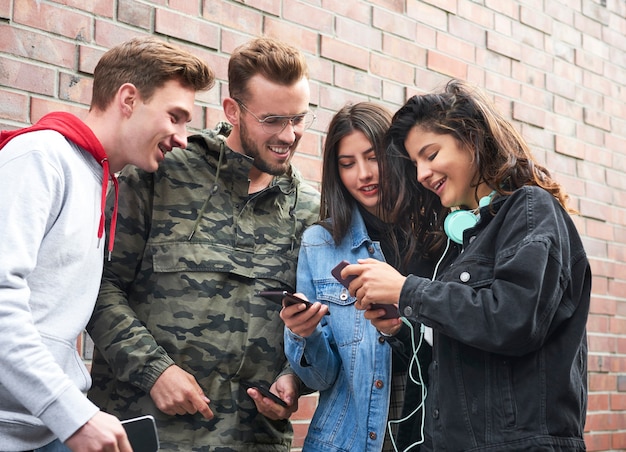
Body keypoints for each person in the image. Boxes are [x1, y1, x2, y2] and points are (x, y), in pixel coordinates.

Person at [85, 36, 321, 451]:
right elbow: (97, 285)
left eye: (299, 119)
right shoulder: (159, 172)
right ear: (233, 110)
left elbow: (324, 322)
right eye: (272, 120)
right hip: (142, 434)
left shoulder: (312, 212)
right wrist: (153, 369)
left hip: (254, 441)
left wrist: (294, 379)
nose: (289, 135)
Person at [343, 79, 591, 451]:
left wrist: (407, 289)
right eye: (415, 164)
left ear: (471, 138)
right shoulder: (463, 239)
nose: (422, 173)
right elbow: (461, 361)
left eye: (430, 154)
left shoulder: (530, 209)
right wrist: (401, 329)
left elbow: (513, 318)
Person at [0, 36, 214, 452]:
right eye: (175, 116)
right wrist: (74, 416)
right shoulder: (40, 159)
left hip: (45, 430)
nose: (183, 137)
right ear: (129, 99)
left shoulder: (100, 181)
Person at [280, 102, 441, 451]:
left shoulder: (437, 235)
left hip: (429, 428)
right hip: (348, 438)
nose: (363, 174)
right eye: (347, 164)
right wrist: (302, 334)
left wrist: (405, 325)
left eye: (373, 157)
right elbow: (321, 377)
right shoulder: (321, 244)